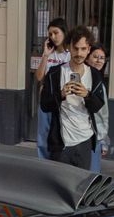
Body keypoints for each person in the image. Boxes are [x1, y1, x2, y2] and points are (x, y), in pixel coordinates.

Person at [41, 27, 105, 170]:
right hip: (61, 142)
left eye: (83, 49)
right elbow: (44, 105)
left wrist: (87, 95)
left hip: (85, 140)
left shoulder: (94, 74)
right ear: (69, 47)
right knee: (59, 186)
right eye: (75, 48)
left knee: (81, 186)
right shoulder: (55, 73)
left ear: (89, 49)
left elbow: (98, 106)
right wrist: (61, 94)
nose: (79, 53)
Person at [32, 20, 70, 161]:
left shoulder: (70, 54)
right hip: (47, 99)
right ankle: (43, 162)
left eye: (56, 33)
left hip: (63, 100)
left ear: (64, 33)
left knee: (60, 133)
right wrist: (45, 54)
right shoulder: (50, 54)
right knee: (43, 133)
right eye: (50, 34)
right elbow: (39, 76)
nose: (53, 37)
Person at [88, 46, 113, 172]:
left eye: (102, 58)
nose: (98, 60)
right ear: (88, 57)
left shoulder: (100, 82)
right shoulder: (87, 79)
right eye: (95, 56)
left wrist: (103, 138)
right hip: (86, 132)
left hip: (97, 134)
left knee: (93, 172)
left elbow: (104, 113)